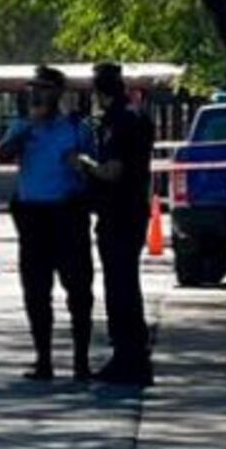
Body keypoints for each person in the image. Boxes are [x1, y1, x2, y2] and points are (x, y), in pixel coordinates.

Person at [0, 66, 96, 381]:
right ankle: (44, 360)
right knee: (36, 291)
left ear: (58, 92)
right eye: (33, 89)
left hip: (68, 214)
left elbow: (96, 168)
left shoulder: (77, 127)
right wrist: (23, 133)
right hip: (34, 216)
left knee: (79, 289)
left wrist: (81, 166)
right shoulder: (23, 127)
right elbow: (1, 155)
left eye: (43, 88)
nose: (37, 94)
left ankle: (81, 361)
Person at [74, 63, 155, 387]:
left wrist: (85, 165)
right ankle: (131, 355)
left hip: (119, 212)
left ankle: (130, 358)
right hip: (133, 210)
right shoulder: (137, 116)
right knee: (125, 283)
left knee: (120, 286)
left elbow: (113, 170)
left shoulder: (119, 123)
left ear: (101, 92)